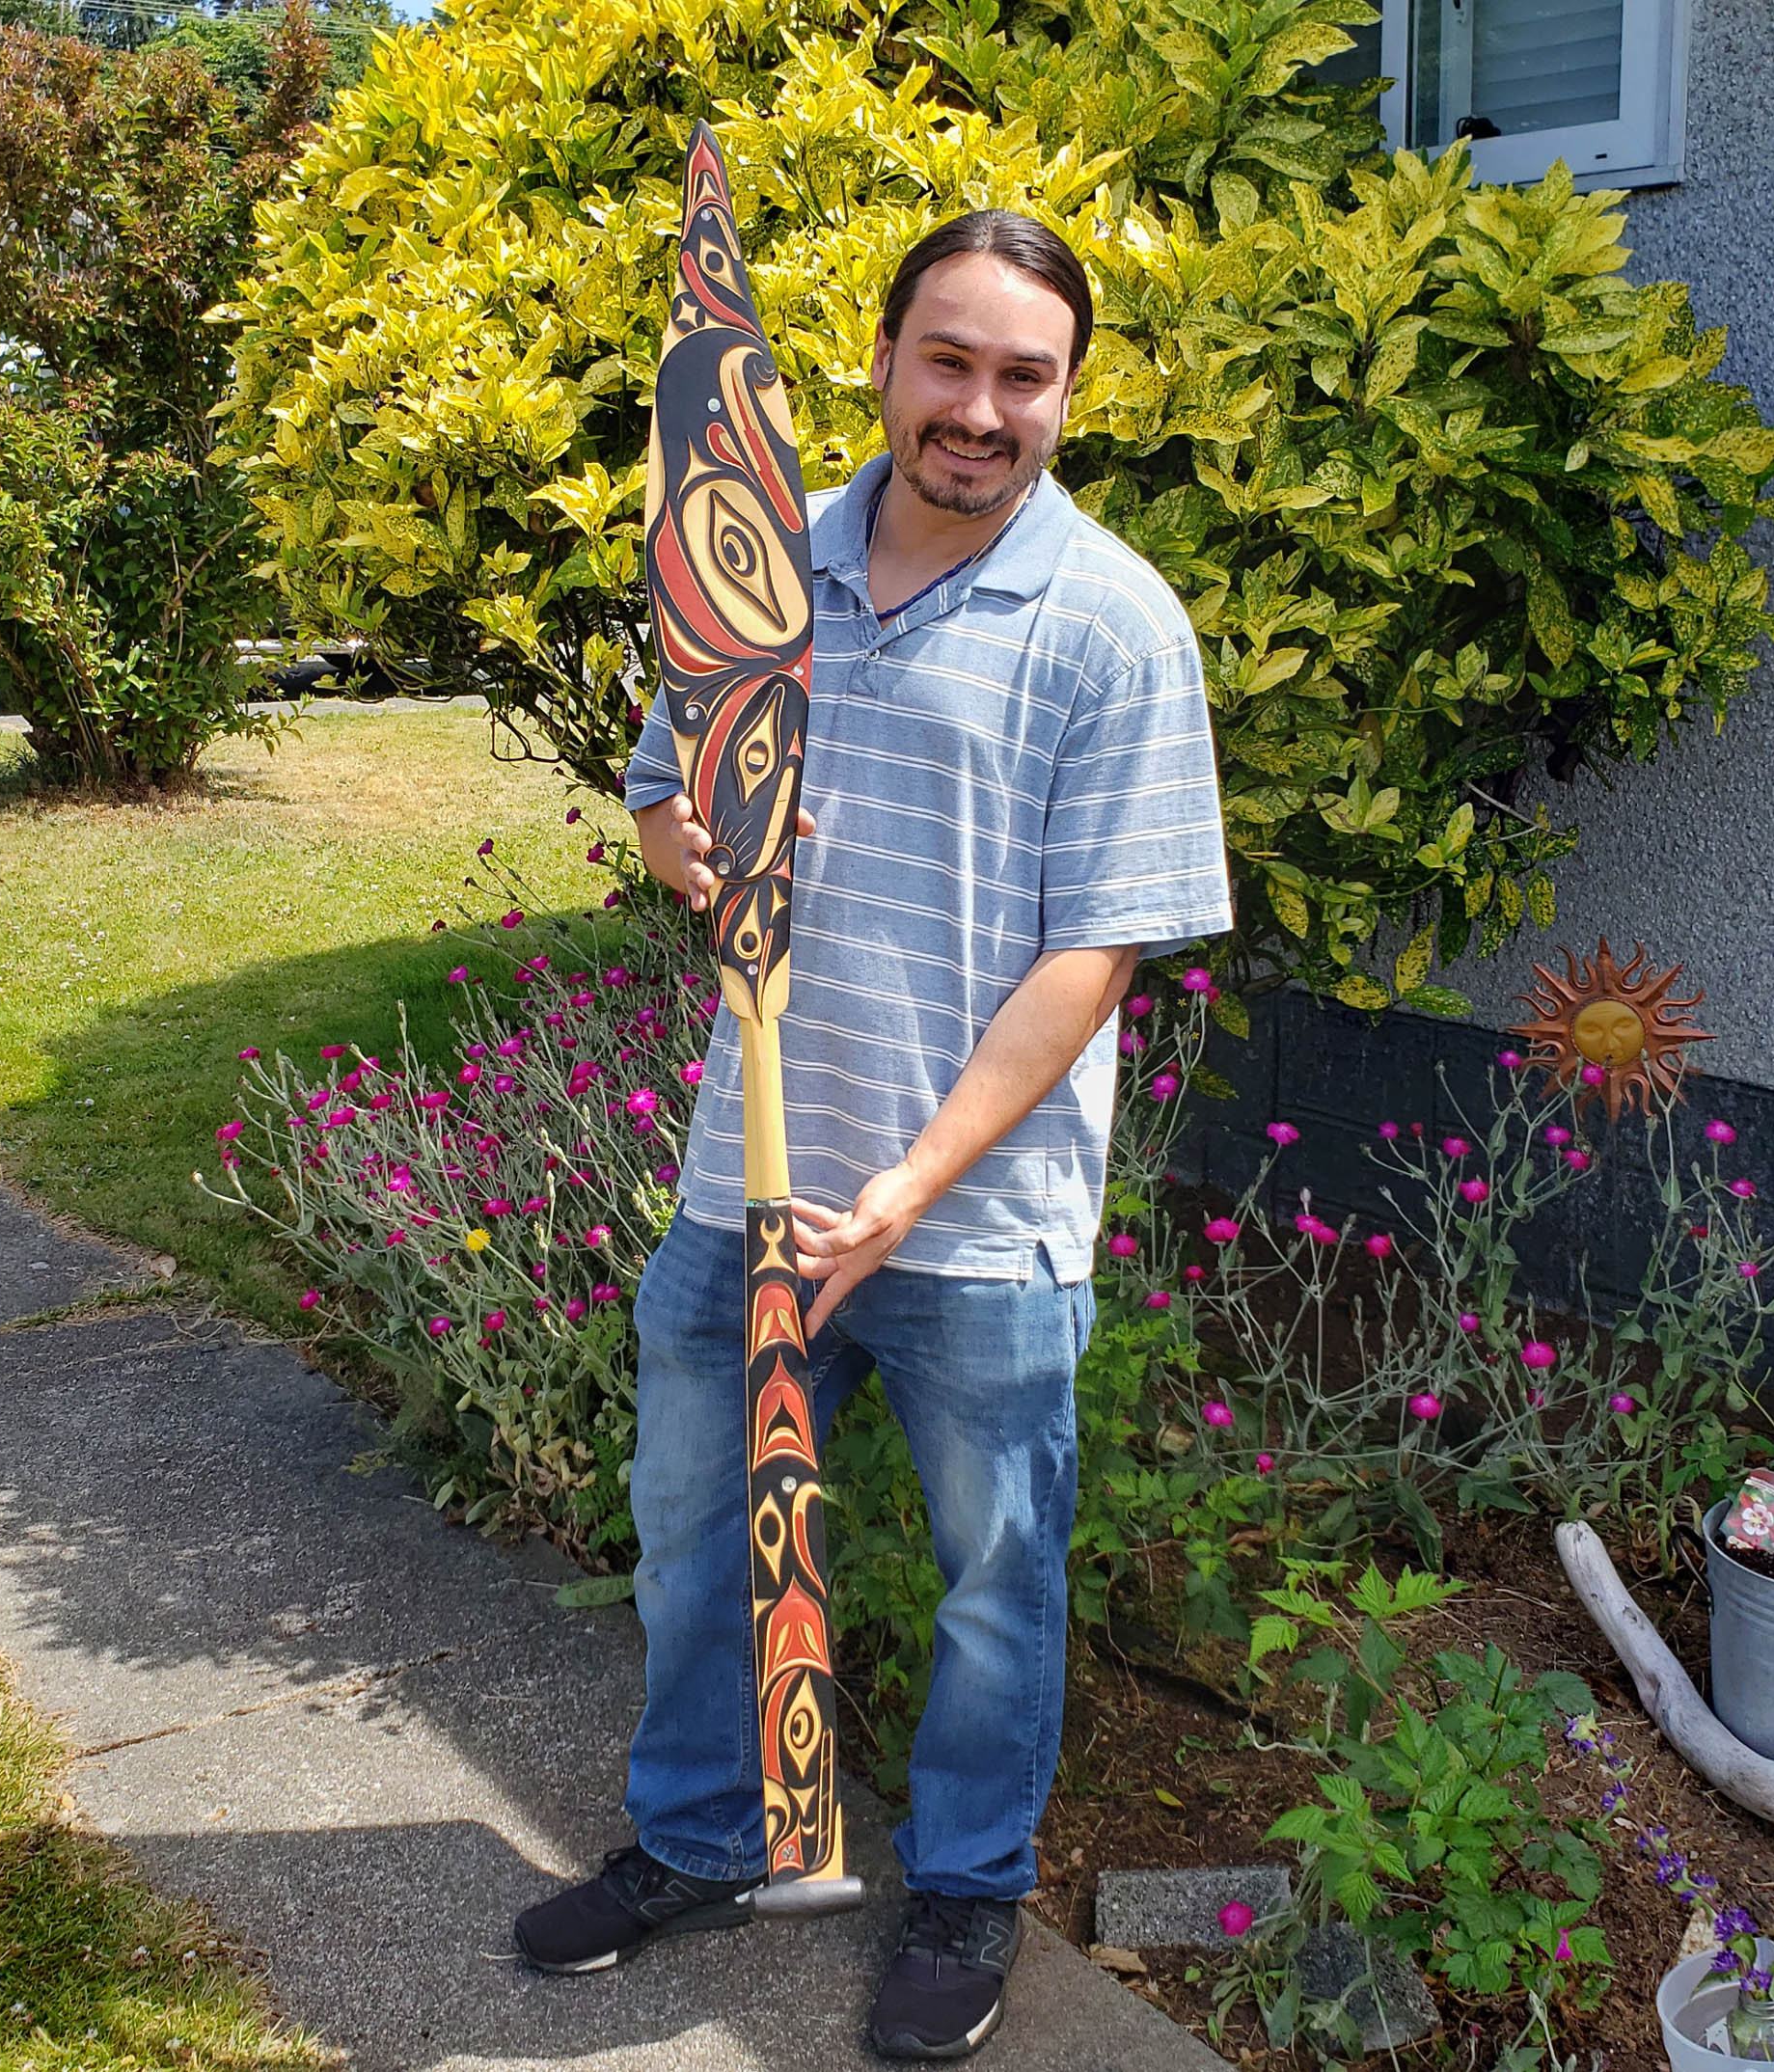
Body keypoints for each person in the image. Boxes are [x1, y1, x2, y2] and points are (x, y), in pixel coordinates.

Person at [513, 208, 1231, 2062]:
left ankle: (971, 1891)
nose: (981, 408)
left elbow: (1097, 953)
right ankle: (701, 1835)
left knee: (1000, 1578)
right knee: (695, 1537)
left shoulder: (1115, 623)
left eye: (1024, 376)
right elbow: (669, 800)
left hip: (976, 1226)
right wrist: (694, 851)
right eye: (951, 360)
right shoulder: (751, 562)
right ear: (888, 359)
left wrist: (911, 1190)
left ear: (1067, 396)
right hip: (740, 1183)